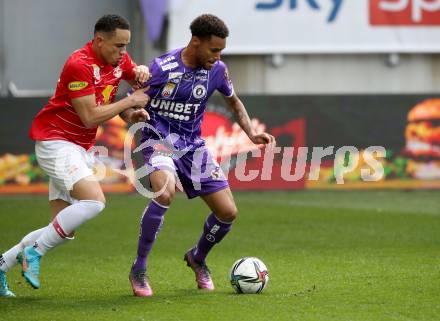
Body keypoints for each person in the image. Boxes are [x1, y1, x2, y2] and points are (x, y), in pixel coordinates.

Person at [0, 14, 150, 297]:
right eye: (118, 46)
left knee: (60, 229)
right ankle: (34, 254)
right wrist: (130, 100)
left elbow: (127, 93)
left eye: (127, 46)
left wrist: (134, 103)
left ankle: (2, 264)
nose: (123, 53)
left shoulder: (119, 62)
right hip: (55, 142)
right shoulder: (79, 64)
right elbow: (91, 116)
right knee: (94, 202)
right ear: (99, 40)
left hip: (78, 148)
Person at [128, 13, 276, 297]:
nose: (218, 56)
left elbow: (233, 102)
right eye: (214, 49)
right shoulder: (163, 68)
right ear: (196, 41)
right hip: (157, 140)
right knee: (165, 192)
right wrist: (134, 114)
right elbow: (127, 102)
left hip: (193, 146)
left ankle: (197, 257)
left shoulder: (218, 70)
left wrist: (250, 133)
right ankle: (139, 268)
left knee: (228, 212)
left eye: (221, 50)